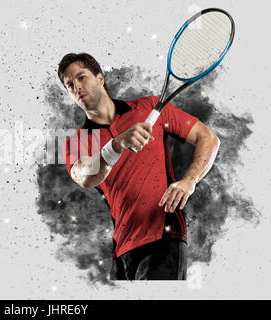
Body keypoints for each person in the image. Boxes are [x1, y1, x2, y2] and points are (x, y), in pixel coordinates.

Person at [59, 53, 220, 280]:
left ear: (100, 78)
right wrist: (115, 145)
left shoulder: (149, 107)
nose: (76, 86)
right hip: (122, 250)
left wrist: (189, 181)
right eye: (69, 84)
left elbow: (209, 138)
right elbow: (84, 176)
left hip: (162, 235)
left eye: (81, 77)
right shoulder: (78, 140)